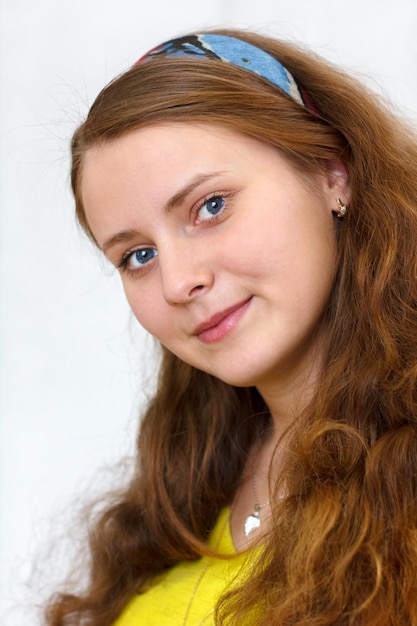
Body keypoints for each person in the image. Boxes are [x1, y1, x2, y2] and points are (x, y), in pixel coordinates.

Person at [45, 29, 417, 626]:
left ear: (331, 173)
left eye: (210, 206)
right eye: (137, 255)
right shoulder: (179, 501)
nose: (176, 283)